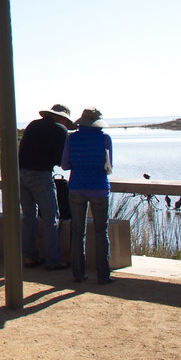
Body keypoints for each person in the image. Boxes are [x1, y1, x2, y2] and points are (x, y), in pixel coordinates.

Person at [62, 108, 115, 284]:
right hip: (99, 188)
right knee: (101, 232)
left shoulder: (71, 138)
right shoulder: (105, 139)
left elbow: (65, 165)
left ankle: (78, 273)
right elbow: (109, 166)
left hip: (76, 188)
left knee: (78, 232)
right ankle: (103, 275)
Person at [18, 104, 74, 270]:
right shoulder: (60, 130)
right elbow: (60, 160)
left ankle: (30, 256)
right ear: (63, 118)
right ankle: (52, 260)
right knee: (51, 218)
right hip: (41, 174)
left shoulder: (33, 124)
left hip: (21, 173)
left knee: (28, 216)